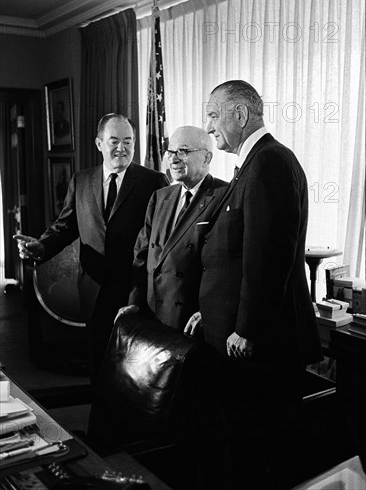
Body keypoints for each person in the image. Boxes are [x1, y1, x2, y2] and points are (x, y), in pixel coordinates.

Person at [185, 80, 323, 486]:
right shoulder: (255, 163)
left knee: (264, 455)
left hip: (261, 347)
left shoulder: (269, 163)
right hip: (241, 339)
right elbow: (233, 257)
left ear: (240, 115)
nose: (208, 126)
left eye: (213, 114)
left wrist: (246, 329)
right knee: (243, 448)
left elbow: (267, 258)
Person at [14, 114, 169, 382]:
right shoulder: (81, 180)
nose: (122, 148)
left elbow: (161, 240)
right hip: (93, 291)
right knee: (98, 369)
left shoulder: (153, 182)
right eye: (114, 141)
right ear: (99, 144)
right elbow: (64, 227)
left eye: (128, 141)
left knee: (135, 375)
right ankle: (99, 422)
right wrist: (39, 247)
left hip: (135, 292)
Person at [119, 126, 228, 331]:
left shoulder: (224, 196)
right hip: (153, 315)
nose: (173, 159)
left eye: (183, 151)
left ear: (207, 158)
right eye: (170, 152)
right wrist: (134, 302)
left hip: (192, 321)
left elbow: (225, 268)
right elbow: (141, 256)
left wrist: (209, 311)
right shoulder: (160, 196)